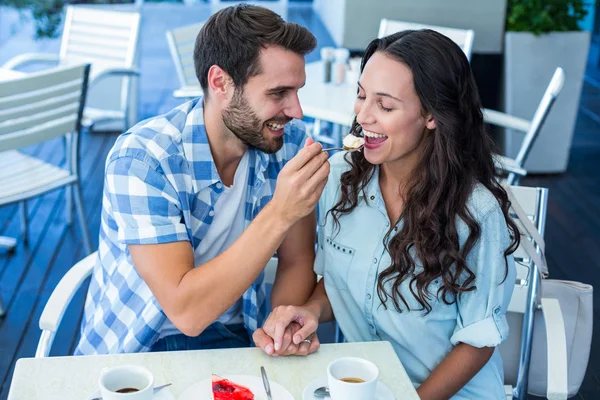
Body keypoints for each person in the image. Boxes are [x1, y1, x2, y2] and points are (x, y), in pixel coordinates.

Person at [253, 30, 521, 399]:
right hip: (363, 387)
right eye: (361, 95)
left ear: (430, 114)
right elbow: (340, 283)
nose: (362, 116)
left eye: (385, 105)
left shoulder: (476, 212)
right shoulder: (339, 179)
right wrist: (311, 310)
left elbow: (478, 341)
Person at [75, 4, 330, 355]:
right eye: (278, 93)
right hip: (138, 351)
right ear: (220, 83)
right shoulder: (144, 160)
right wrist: (282, 211)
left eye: (297, 91)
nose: (296, 111)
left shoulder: (291, 146)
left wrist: (280, 325)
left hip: (237, 336)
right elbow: (187, 314)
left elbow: (297, 260)